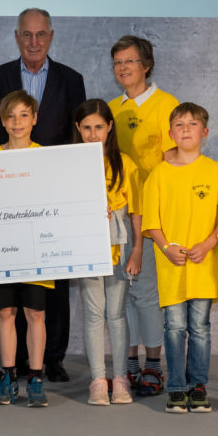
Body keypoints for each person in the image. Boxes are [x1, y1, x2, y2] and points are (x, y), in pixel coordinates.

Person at [0, 7, 86, 383]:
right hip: (8, 196)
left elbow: (77, 139)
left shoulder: (71, 79)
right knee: (12, 282)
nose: (34, 41)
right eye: (27, 34)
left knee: (53, 283)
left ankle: (51, 359)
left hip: (52, 196)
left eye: (41, 34)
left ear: (51, 36)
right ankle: (17, 361)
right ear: (16, 36)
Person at [141, 102, 218, 413]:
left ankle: (198, 386)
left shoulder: (217, 172)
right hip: (172, 265)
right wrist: (165, 247)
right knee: (174, 327)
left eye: (192, 124)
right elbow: (150, 221)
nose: (185, 129)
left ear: (204, 132)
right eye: (179, 125)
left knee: (200, 327)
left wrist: (208, 243)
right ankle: (177, 388)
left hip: (203, 264)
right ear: (170, 134)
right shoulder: (159, 174)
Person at [107, 35, 178, 396]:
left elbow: (173, 164)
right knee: (123, 296)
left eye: (129, 61)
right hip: (114, 216)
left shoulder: (167, 105)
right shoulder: (110, 109)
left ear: (146, 65)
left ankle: (153, 364)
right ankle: (130, 363)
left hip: (149, 217)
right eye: (117, 62)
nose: (123, 68)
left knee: (145, 294)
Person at [73, 99, 141, 406]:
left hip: (118, 244)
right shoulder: (69, 164)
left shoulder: (125, 163)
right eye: (86, 127)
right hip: (85, 245)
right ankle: (98, 380)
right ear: (78, 128)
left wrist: (137, 249)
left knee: (116, 313)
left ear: (110, 127)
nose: (93, 134)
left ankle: (120, 379)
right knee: (93, 313)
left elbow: (136, 212)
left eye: (99, 127)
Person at [0, 90, 50, 407]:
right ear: (2, 121)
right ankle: (9, 377)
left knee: (35, 312)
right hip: (2, 248)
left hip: (36, 247)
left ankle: (35, 378)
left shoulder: (48, 158)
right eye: (11, 115)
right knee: (5, 312)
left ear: (35, 119)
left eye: (24, 114)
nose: (17, 121)